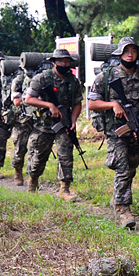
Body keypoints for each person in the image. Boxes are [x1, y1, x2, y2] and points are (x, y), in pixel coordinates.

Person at [87, 37, 139, 229]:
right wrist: (113, 104)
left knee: (132, 164)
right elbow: (92, 103)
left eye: (133, 50)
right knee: (122, 166)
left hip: (136, 129)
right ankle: (123, 208)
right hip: (115, 131)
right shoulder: (107, 77)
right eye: (126, 50)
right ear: (119, 53)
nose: (130, 54)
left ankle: (118, 197)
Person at [24, 48, 84, 199]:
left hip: (64, 124)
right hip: (44, 124)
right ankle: (33, 181)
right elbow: (29, 99)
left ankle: (65, 189)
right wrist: (49, 106)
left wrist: (74, 120)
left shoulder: (73, 81)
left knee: (66, 154)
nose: (64, 63)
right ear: (54, 62)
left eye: (67, 61)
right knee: (39, 156)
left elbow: (78, 103)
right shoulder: (42, 78)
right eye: (61, 61)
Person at [8, 59, 35, 186]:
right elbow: (16, 101)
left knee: (34, 149)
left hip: (36, 119)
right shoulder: (18, 81)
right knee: (20, 149)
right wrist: (30, 98)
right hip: (22, 120)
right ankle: (18, 171)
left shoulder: (39, 79)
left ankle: (32, 176)